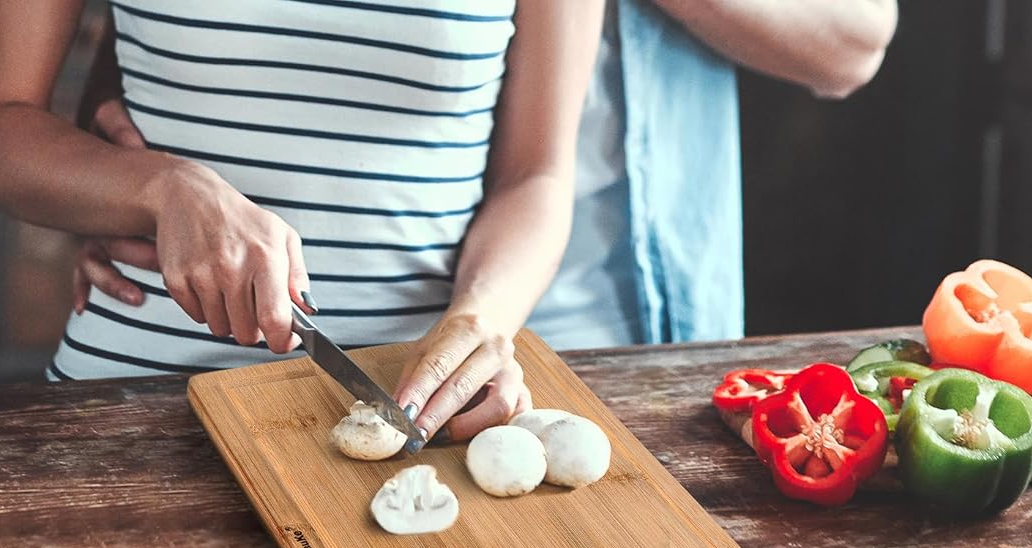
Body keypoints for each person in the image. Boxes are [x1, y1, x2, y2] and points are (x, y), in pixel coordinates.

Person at [70, 1, 899, 416]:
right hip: (182, 356)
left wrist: (486, 316)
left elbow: (857, 35)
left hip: (579, 306)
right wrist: (127, 177)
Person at [0, 1, 605, 442]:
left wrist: (482, 317)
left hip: (415, 407)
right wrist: (161, 188)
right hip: (134, 401)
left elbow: (537, 177)